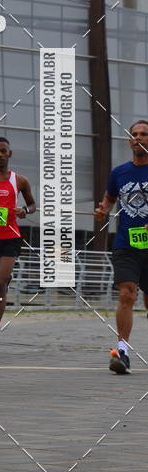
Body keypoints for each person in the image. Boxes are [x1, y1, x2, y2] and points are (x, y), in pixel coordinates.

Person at [95, 120, 148, 374]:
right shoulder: (119, 173)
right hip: (126, 243)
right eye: (134, 134)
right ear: (129, 141)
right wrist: (103, 209)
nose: (138, 138)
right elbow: (110, 197)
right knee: (127, 293)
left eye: (143, 134)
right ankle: (122, 352)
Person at [0, 138, 36, 352]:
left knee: (1, 284)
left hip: (10, 237)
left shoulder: (19, 180)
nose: (0, 155)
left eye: (3, 151)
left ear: (9, 154)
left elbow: (32, 204)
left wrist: (25, 211)